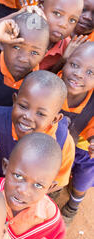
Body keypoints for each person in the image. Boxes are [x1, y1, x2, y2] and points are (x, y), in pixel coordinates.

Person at [0, 70, 75, 193]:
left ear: (55, 119)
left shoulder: (62, 142)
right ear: (15, 100)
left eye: (40, 114)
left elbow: (59, 181)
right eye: (23, 106)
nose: (28, 117)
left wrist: (30, 194)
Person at [59, 42, 94, 222]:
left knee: (85, 174)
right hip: (51, 147)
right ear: (65, 61)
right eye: (74, 64)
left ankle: (73, 205)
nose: (79, 74)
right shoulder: (52, 84)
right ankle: (55, 191)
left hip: (80, 148)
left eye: (90, 72)